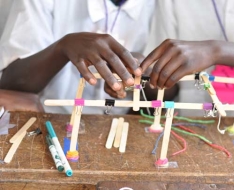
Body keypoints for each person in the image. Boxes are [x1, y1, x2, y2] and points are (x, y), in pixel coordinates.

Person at [0, 0, 155, 114]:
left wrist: (142, 72)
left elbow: (168, 93)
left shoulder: (157, 5)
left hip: (121, 123)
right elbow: (10, 84)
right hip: (50, 118)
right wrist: (62, 48)